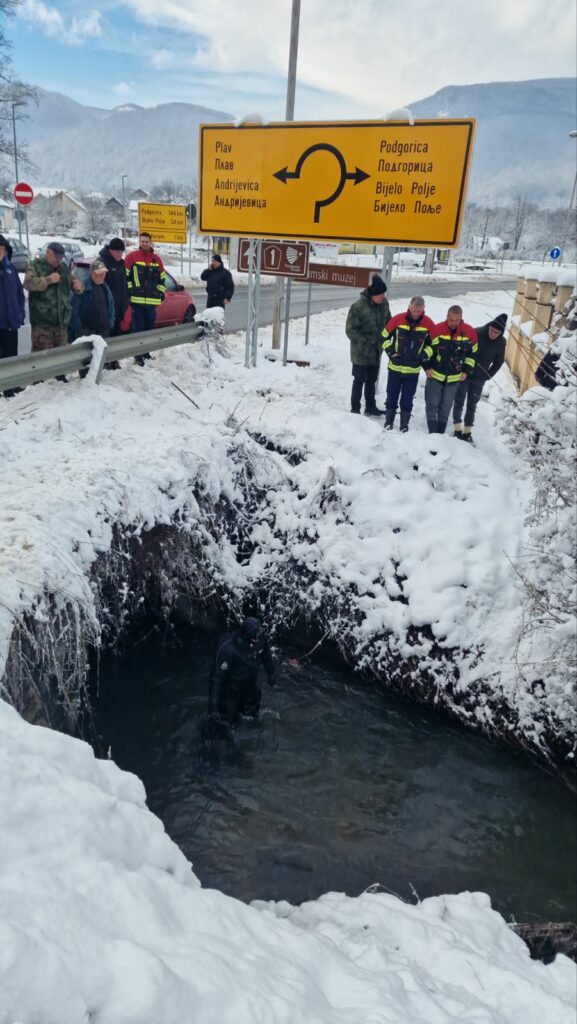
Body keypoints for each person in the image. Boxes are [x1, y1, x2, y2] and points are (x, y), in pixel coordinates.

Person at [381, 296, 435, 431]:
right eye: (414, 310)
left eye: (419, 311)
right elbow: (383, 337)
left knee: (407, 399)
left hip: (413, 371)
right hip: (395, 368)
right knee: (391, 396)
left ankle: (404, 425)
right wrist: (391, 353)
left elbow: (434, 345)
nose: (416, 314)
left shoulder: (428, 324)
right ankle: (389, 422)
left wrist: (423, 355)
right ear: (409, 306)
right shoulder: (398, 320)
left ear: (423, 309)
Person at [452, 313, 507, 442]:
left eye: (497, 332)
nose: (493, 334)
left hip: (479, 378)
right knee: (459, 401)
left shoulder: (501, 342)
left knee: (472, 405)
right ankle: (457, 429)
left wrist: (488, 375)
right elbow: (463, 352)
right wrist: (461, 369)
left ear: (501, 333)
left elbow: (499, 361)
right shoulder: (476, 332)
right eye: (492, 330)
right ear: (489, 327)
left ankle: (467, 432)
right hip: (465, 374)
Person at [423, 305, 477, 434]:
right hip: (435, 375)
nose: (453, 323)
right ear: (447, 317)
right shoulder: (437, 329)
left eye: (456, 320)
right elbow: (426, 349)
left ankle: (440, 433)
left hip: (454, 378)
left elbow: (472, 353)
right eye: (451, 320)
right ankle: (432, 433)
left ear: (461, 318)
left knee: (446, 407)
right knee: (432, 404)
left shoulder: (469, 332)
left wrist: (466, 371)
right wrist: (426, 367)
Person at [212, 617, 275, 726]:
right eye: (255, 636)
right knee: (226, 724)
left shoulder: (260, 640)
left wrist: (271, 673)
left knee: (252, 718)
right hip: (230, 692)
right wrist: (213, 707)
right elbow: (216, 678)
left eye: (259, 634)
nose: (258, 638)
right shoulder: (227, 648)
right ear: (246, 635)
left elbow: (266, 657)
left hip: (251, 688)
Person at [24, 241, 83, 352]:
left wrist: (79, 287)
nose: (58, 260)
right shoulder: (35, 266)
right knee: (42, 360)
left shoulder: (64, 269)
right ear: (47, 252)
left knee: (59, 360)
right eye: (56, 257)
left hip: (61, 325)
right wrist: (48, 280)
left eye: (60, 257)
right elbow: (28, 283)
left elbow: (76, 284)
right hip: (42, 325)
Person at [345, 274, 390, 416]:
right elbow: (350, 330)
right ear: (372, 294)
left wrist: (390, 336)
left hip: (377, 350)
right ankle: (355, 408)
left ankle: (370, 407)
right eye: (380, 294)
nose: (383, 296)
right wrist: (365, 343)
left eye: (384, 293)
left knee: (372, 380)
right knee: (359, 380)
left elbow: (389, 321)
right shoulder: (358, 307)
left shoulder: (383, 304)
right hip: (361, 352)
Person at [125, 233, 165, 364]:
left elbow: (162, 279)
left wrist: (159, 292)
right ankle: (137, 355)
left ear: (150, 242)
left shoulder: (157, 259)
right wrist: (131, 290)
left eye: (147, 241)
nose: (144, 244)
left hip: (152, 302)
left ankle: (146, 352)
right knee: (138, 328)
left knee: (149, 329)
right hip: (137, 300)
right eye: (142, 241)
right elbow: (126, 277)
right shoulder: (132, 257)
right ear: (139, 242)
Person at [70, 259, 115, 341]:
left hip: (103, 332)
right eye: (99, 273)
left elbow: (111, 307)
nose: (102, 276)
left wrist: (110, 323)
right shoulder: (83, 288)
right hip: (86, 333)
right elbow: (74, 310)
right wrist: (78, 328)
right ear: (91, 273)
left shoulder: (106, 288)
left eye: (104, 273)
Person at [0, 235, 25, 361]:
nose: (0, 251)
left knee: (11, 362)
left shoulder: (10, 269)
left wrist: (20, 314)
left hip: (10, 325)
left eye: (2, 248)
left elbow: (19, 293)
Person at [98, 237, 130, 336]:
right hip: (105, 313)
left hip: (119, 313)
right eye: (117, 251)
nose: (119, 254)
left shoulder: (122, 264)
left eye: (121, 251)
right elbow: (95, 285)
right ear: (110, 249)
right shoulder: (100, 263)